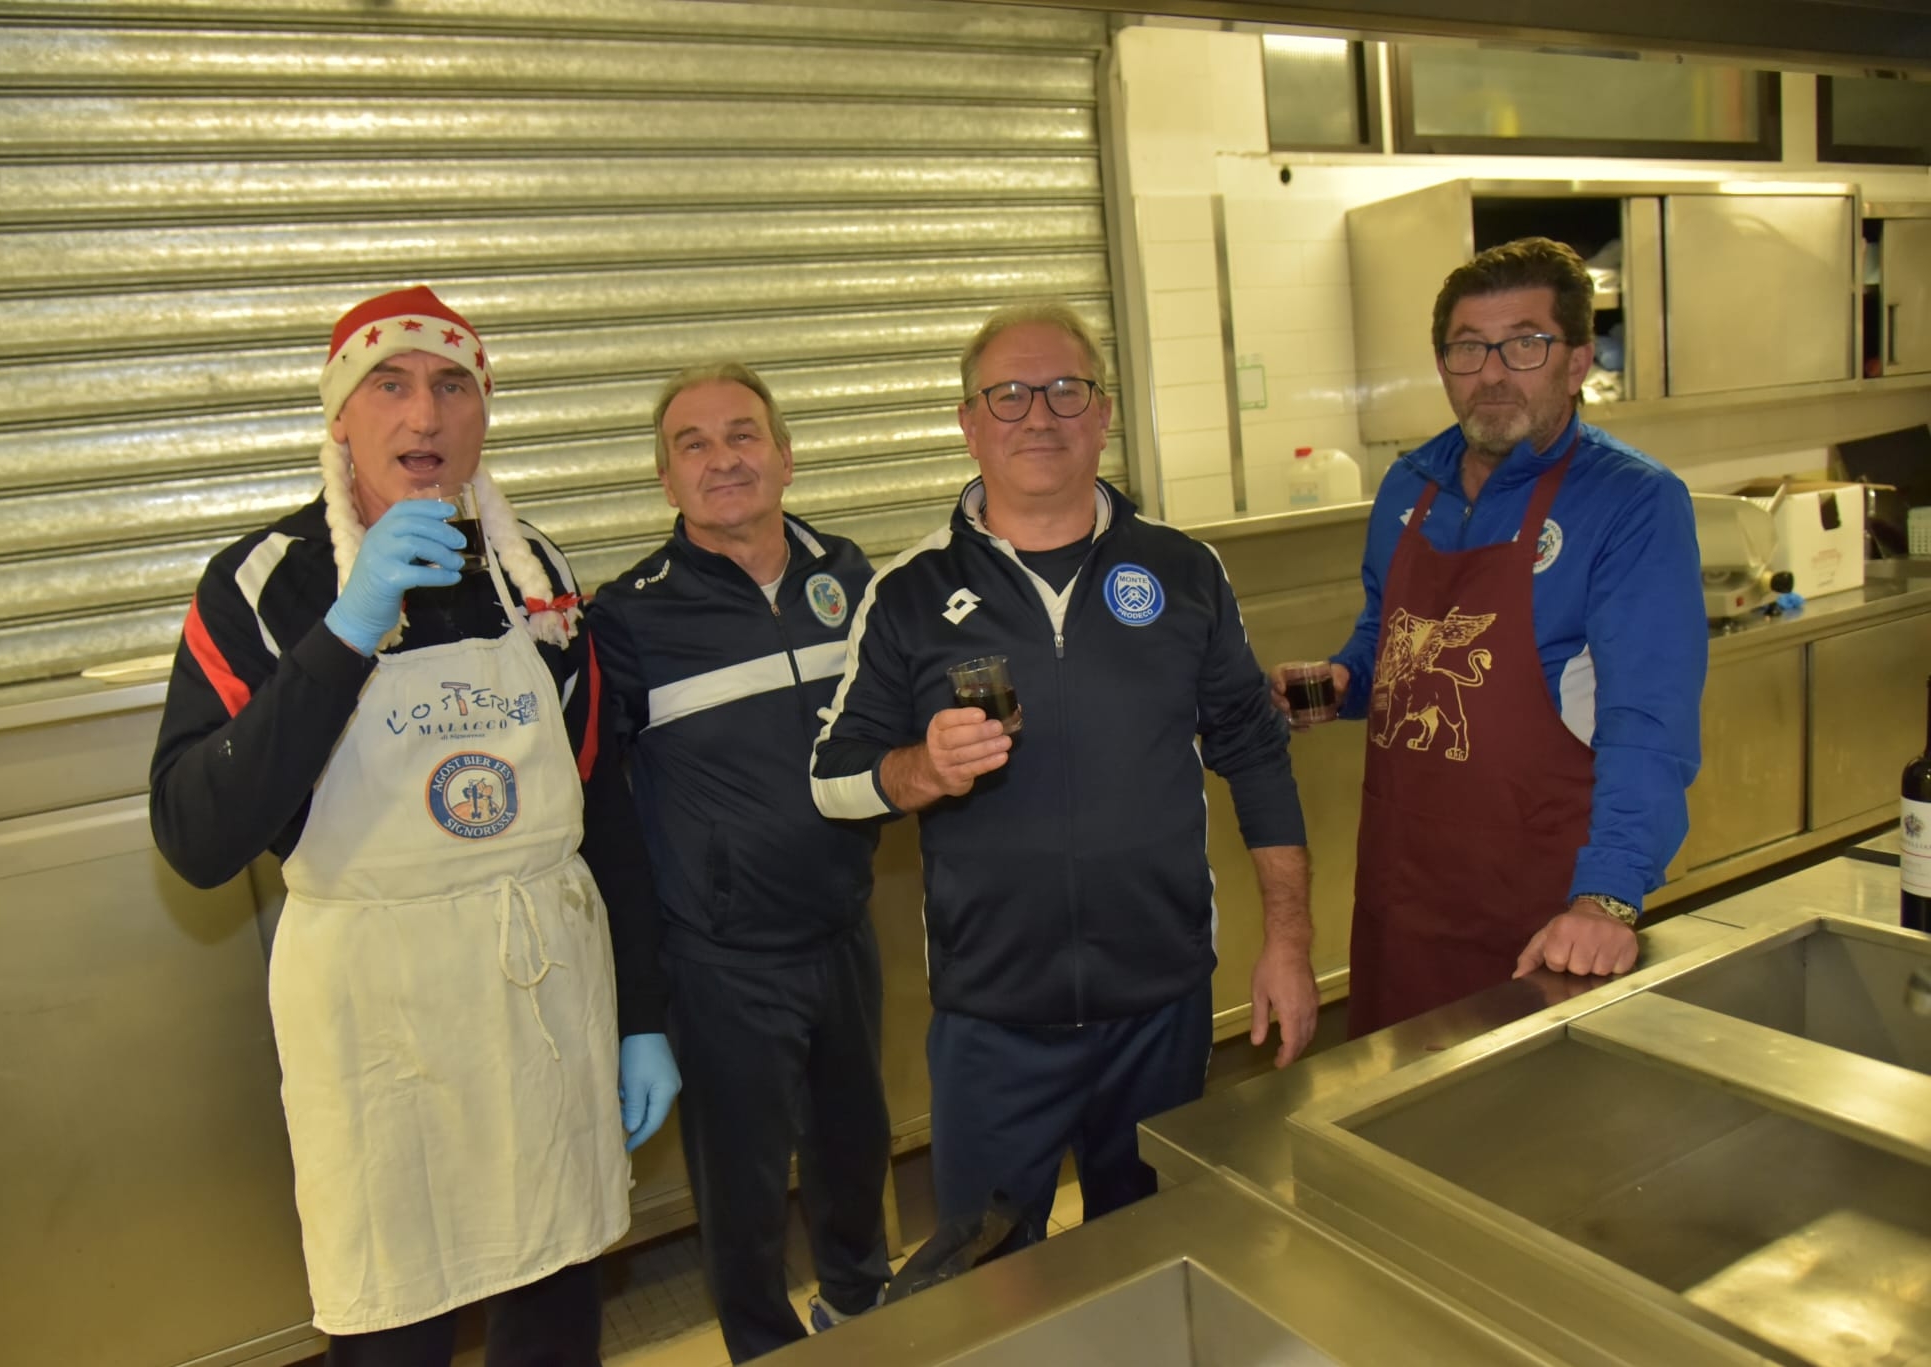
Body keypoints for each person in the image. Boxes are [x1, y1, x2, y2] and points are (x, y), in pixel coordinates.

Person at [149, 285, 680, 1366]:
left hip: (541, 1000)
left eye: (450, 386)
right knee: (395, 1324)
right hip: (379, 1026)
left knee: (554, 1313)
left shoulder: (534, 575)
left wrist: (641, 1012)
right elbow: (197, 835)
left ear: (483, 413)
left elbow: (602, 808)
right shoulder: (262, 587)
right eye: (387, 385)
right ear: (339, 416)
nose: (423, 416)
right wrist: (347, 630)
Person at [810, 301, 1315, 1246]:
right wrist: (920, 768)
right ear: (969, 423)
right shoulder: (909, 591)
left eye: (1064, 390)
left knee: (1159, 1255)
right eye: (1007, 395)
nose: (1038, 415)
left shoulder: (1184, 571)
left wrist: (1289, 941)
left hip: (1161, 1007)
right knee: (991, 1282)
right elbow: (831, 778)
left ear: (1104, 412)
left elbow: (1254, 753)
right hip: (994, 1022)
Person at [1288, 237, 1705, 1036]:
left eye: (1524, 344)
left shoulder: (1631, 502)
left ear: (1576, 362)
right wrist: (1345, 681)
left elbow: (1648, 727)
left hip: (1541, 918)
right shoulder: (1411, 482)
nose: (1492, 373)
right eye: (1468, 348)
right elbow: (1390, 636)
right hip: (1402, 900)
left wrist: (1607, 898)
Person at [585, 363, 892, 1362]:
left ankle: (859, 1310)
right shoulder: (629, 617)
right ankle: (761, 1346)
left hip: (843, 927)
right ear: (665, 479)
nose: (722, 459)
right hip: (719, 960)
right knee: (744, 1191)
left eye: (742, 434)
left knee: (855, 1152)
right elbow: (599, 809)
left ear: (785, 456)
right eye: (694, 444)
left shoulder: (850, 576)